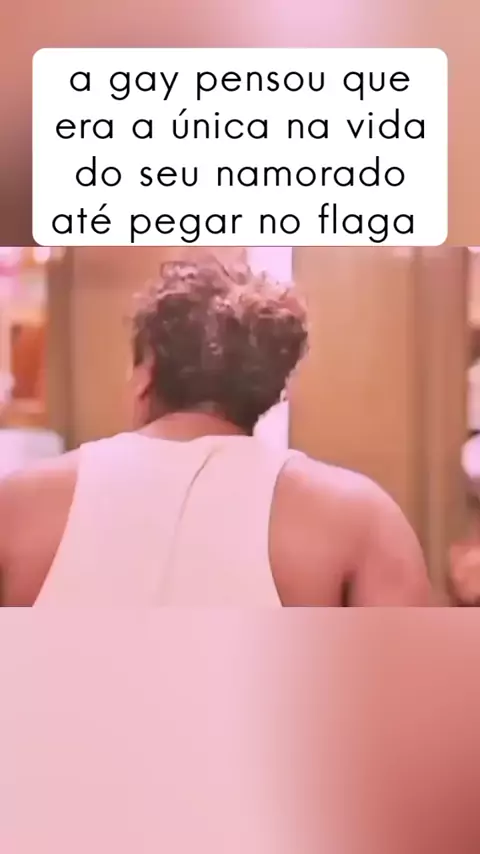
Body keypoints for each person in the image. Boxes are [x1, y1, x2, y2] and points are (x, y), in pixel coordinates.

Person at [0, 259, 431, 607]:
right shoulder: (358, 518)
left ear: (145, 376)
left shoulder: (21, 506)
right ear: (270, 393)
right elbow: (413, 685)